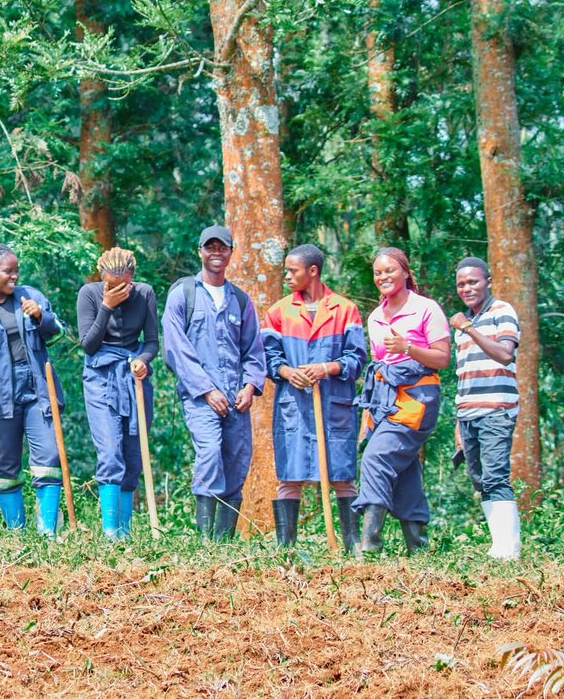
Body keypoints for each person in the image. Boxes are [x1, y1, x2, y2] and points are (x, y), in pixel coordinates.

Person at [162, 225, 266, 540]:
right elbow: (175, 348)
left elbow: (253, 349)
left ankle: (223, 542)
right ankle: (205, 540)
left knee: (237, 460)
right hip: (200, 397)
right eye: (210, 247)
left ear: (231, 252)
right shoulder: (184, 294)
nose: (216, 253)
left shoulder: (240, 299)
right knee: (209, 452)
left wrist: (250, 386)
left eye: (222, 248)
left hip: (236, 397)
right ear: (200, 251)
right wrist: (206, 390)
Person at [261, 244, 366, 552]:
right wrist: (285, 371)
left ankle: (352, 545)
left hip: (334, 404)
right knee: (289, 476)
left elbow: (357, 358)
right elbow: (268, 357)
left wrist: (326, 368)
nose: (287, 276)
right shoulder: (279, 311)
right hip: (293, 405)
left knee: (342, 475)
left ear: (312, 271)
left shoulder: (345, 310)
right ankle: (287, 548)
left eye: (292, 271)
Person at [0, 243, 66, 537]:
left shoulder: (31, 297)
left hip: (37, 387)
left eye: (17, 271)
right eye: (8, 271)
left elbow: (58, 336)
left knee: (49, 456)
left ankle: (48, 533)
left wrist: (42, 317)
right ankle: (16, 533)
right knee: (5, 463)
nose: (15, 276)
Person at [353, 247, 450, 555]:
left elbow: (443, 357)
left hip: (418, 399)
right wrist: (366, 420)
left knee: (376, 459)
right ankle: (418, 548)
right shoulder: (375, 317)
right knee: (404, 469)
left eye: (390, 270)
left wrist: (408, 347)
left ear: (406, 273)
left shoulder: (426, 308)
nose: (383, 276)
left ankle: (370, 546)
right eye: (378, 272)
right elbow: (376, 371)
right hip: (385, 401)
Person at [77, 247, 159, 539]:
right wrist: (107, 305)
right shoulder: (89, 294)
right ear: (102, 277)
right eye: (111, 284)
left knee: (132, 456)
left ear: (132, 276)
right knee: (111, 453)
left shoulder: (145, 293)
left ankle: (125, 532)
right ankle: (110, 533)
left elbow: (152, 342)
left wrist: (143, 361)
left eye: (123, 283)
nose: (118, 288)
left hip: (133, 376)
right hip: (100, 377)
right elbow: (88, 344)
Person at [450, 256, 521, 560]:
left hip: (496, 409)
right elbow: (463, 375)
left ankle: (509, 549)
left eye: (473, 281)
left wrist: (469, 328)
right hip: (468, 413)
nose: (467, 288)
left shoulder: (501, 312)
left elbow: (505, 354)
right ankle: (499, 545)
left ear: (488, 281)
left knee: (495, 477)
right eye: (461, 284)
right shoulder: (463, 325)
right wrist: (458, 422)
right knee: (479, 479)